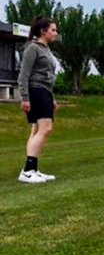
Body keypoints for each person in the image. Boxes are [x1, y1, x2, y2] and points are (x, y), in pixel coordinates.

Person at [17, 16, 59, 183]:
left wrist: (52, 98)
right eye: (53, 30)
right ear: (43, 31)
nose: (55, 33)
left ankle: (33, 168)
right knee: (45, 128)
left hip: (45, 92)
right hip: (36, 91)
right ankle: (27, 171)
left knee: (36, 130)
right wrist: (25, 98)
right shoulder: (32, 48)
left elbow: (48, 76)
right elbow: (24, 75)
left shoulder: (46, 49)